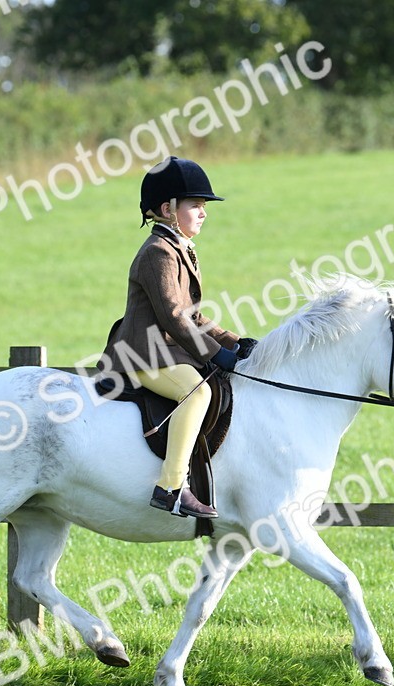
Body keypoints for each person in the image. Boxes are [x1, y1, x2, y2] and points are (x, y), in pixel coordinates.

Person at [100, 156, 257, 519]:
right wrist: (215, 354)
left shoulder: (179, 248)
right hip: (143, 354)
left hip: (167, 352)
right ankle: (171, 488)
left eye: (204, 206)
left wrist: (236, 343)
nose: (203, 213)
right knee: (196, 391)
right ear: (167, 210)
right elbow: (174, 317)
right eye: (195, 205)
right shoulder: (157, 253)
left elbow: (194, 315)